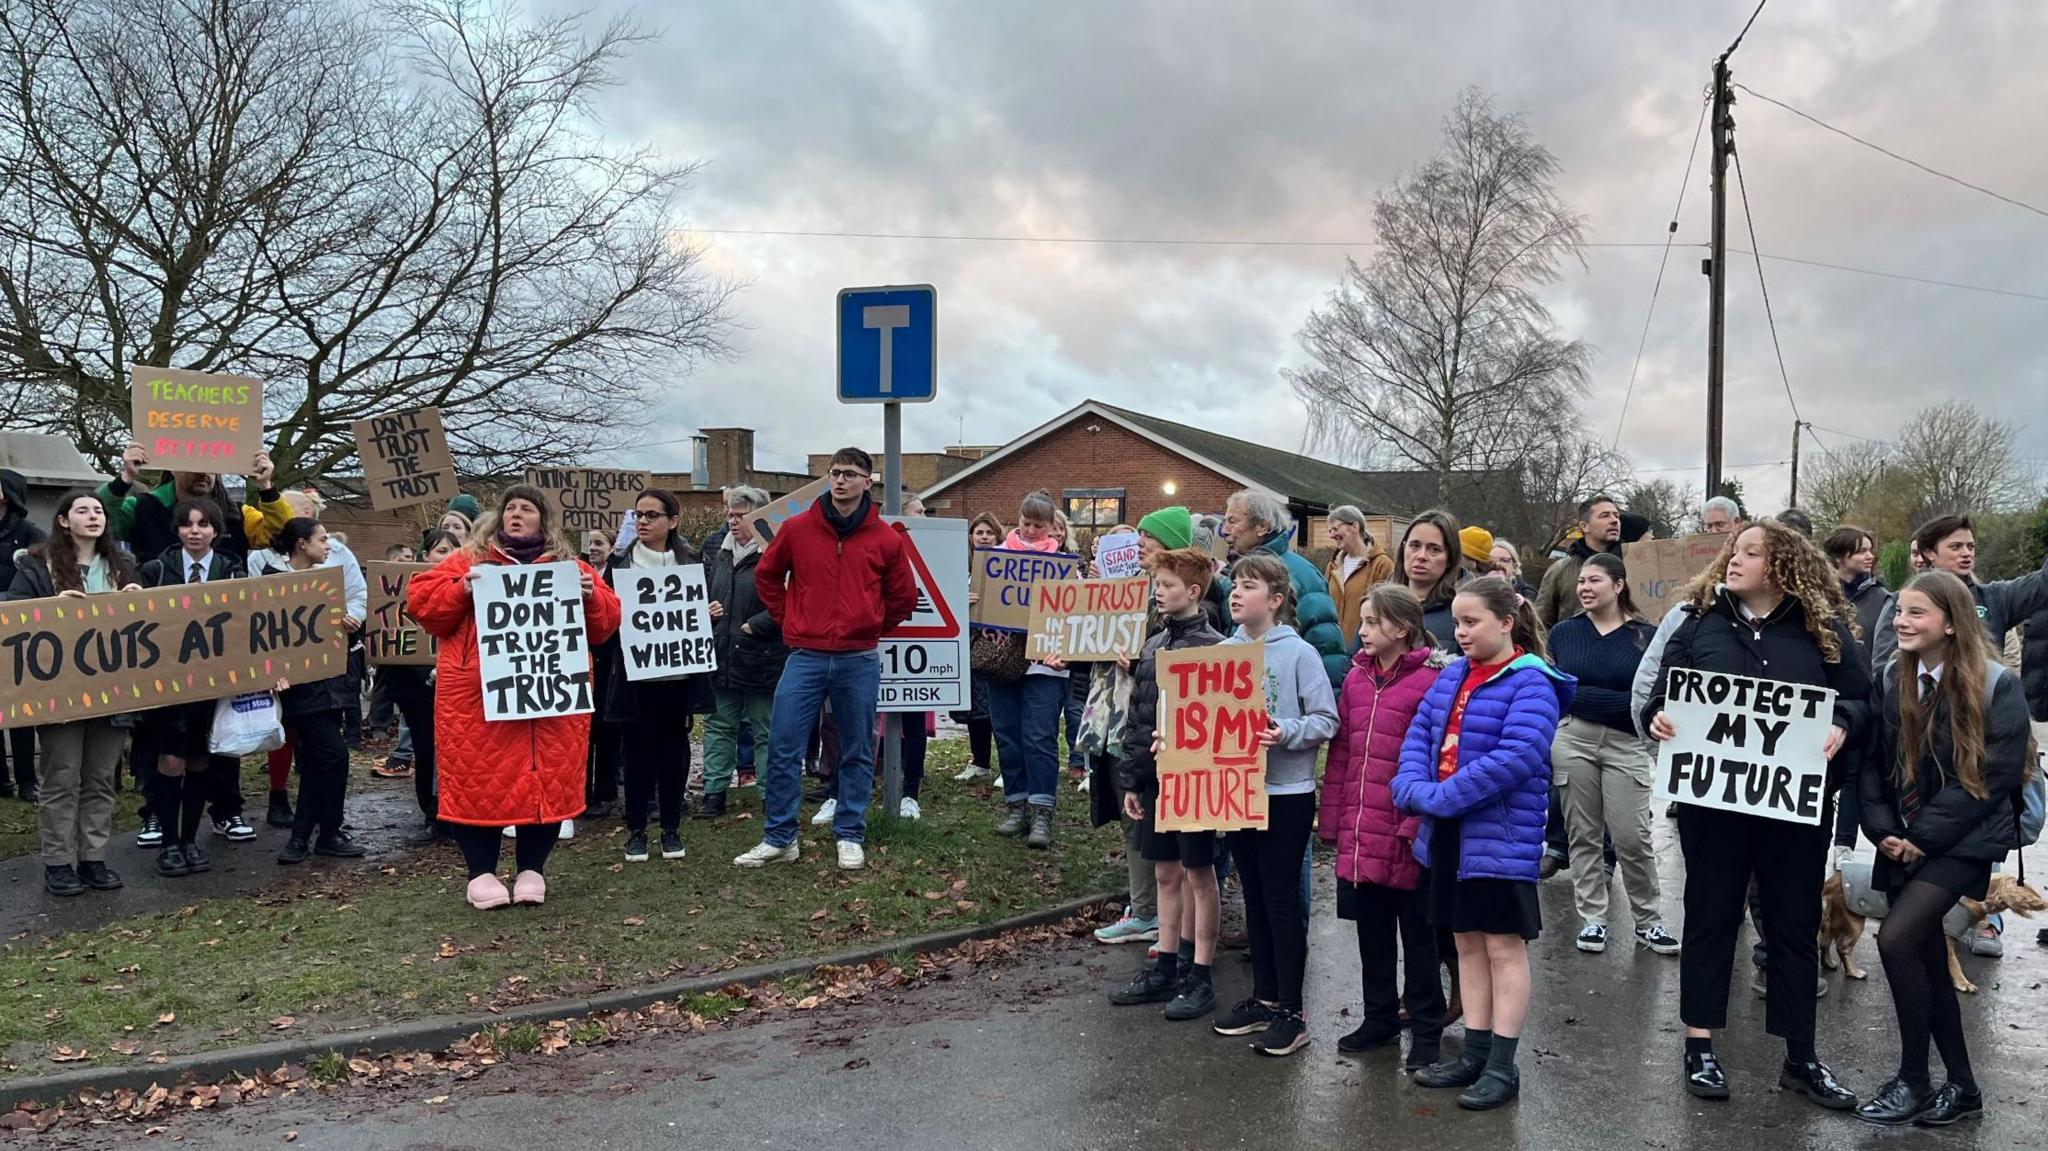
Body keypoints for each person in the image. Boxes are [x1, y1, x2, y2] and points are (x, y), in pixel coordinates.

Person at [1643, 521, 1868, 1110]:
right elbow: (1660, 696)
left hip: (1793, 807)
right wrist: (1658, 719)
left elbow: (1860, 699)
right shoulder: (1698, 622)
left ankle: (1801, 1057)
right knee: (1711, 914)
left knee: (1793, 922)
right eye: (1732, 550)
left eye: (1750, 551)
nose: (1733, 559)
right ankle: (1699, 1045)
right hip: (1713, 806)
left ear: (1783, 564)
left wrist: (1842, 723)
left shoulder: (1824, 632)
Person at [1852, 570, 2029, 1128]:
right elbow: (1873, 766)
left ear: (1951, 624)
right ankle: (1963, 1086)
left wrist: (1919, 837)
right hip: (1900, 838)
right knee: (1925, 955)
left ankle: (1912, 1078)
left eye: (1916, 613)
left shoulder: (1995, 684)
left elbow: (1990, 778)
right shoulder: (1891, 677)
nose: (1901, 621)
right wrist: (1882, 830)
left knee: (1897, 939)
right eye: (1899, 611)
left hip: (1961, 842)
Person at [1394, 576, 1572, 1111]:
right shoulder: (1451, 677)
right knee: (1466, 942)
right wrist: (1412, 788)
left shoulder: (1531, 683)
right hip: (1448, 838)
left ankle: (1502, 1065)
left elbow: (1518, 757)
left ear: (1506, 623)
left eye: (1472, 622)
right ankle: (1473, 1051)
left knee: (1501, 947)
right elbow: (1418, 738)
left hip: (1500, 841)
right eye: (1459, 622)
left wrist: (1438, 797)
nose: (1461, 631)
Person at [407, 486, 620, 908]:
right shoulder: (468, 561)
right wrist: (460, 591)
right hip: (476, 701)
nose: (516, 515)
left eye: (526, 509)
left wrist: (592, 596)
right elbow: (421, 603)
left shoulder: (568, 567)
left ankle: (531, 869)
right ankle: (481, 873)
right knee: (477, 784)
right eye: (510, 509)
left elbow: (607, 623)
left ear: (544, 519)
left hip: (549, 702)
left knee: (544, 784)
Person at [1869, 513, 2048, 959]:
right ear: (1928, 553)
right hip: (1920, 782)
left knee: (1911, 930)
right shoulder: (1900, 613)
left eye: (1971, 545)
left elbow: (1993, 775)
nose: (1968, 552)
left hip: (1968, 791)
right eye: (1956, 546)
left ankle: (1984, 919)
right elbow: (1883, 688)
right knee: (1918, 941)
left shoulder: (1994, 598)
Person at [734, 448, 914, 873]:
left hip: (859, 657)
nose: (840, 481)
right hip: (806, 654)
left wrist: (868, 624)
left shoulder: (886, 538)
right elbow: (768, 576)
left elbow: (903, 596)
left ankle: (850, 833)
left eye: (850, 474)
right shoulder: (798, 529)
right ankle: (780, 837)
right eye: (834, 473)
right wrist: (790, 618)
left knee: (856, 747)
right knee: (783, 744)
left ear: (868, 482)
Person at [1211, 554, 1339, 1057]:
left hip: (1286, 794)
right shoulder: (1223, 652)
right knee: (1256, 899)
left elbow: (1326, 720)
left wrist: (1285, 732)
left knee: (1283, 901)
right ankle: (1264, 998)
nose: (1235, 594)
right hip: (1238, 791)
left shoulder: (1299, 653)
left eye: (1248, 586)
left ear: (1277, 600)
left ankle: (1293, 1010)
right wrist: (1173, 740)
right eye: (1234, 586)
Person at [1321, 584, 1450, 1068]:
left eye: (1373, 622)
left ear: (1401, 628)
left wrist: (1420, 822)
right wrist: (1332, 817)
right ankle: (1378, 1016)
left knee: (1419, 937)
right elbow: (1342, 755)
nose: (1363, 631)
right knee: (1371, 930)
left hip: (1406, 831)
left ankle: (1427, 1027)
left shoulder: (1433, 681)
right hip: (1361, 826)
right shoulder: (1355, 680)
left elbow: (1441, 759)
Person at [1108, 548, 1227, 1019]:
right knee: (1164, 872)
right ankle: (1165, 966)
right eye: (1157, 584)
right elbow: (1139, 719)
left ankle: (1200, 974)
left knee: (1200, 874)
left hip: (1195, 778)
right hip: (1157, 779)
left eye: (1167, 585)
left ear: (1193, 592)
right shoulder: (1154, 645)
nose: (1158, 591)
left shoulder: (1217, 647)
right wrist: (1133, 782)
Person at [7, 491, 144, 896]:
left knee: (100, 778)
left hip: (113, 692)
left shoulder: (124, 567)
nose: (93, 516)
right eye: (83, 510)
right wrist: (50, 606)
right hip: (60, 694)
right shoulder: (35, 566)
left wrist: (141, 601)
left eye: (98, 510)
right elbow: (12, 616)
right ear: (64, 520)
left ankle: (93, 858)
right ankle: (58, 862)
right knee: (61, 779)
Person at [1545, 553, 1677, 956]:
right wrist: (1612, 700)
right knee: (1582, 834)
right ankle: (1593, 919)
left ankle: (1649, 921)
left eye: (1594, 580)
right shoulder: (1564, 634)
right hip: (1573, 741)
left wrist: (1585, 696)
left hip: (1627, 743)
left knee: (1631, 837)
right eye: (1582, 581)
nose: (1584, 587)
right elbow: (1557, 691)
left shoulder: (1646, 637)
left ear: (1619, 585)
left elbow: (1651, 699)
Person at [136, 499, 260, 877]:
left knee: (201, 760)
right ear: (177, 530)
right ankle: (169, 841)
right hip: (168, 687)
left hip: (213, 685)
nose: (195, 531)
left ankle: (190, 839)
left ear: (215, 531)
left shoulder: (231, 571)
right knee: (170, 760)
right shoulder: (156, 570)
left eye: (203, 524)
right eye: (187, 524)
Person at [604, 488, 715, 862]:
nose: (643, 522)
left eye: (652, 515)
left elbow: (699, 614)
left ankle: (670, 829)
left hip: (678, 681)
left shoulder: (692, 562)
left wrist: (709, 612)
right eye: (639, 514)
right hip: (634, 681)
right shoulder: (619, 564)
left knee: (673, 754)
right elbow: (603, 620)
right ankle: (636, 831)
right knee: (635, 756)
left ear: (673, 521)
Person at [249, 490, 368, 827]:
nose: (327, 544)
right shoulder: (266, 569)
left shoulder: (337, 558)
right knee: (318, 750)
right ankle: (305, 823)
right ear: (301, 542)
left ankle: (315, 831)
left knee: (324, 754)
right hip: (288, 678)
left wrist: (351, 617)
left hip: (328, 676)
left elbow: (356, 596)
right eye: (321, 538)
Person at [984, 491, 1072, 849]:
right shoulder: (996, 559)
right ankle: (1016, 805)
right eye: (1026, 524)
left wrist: (1067, 652)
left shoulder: (1065, 566)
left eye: (1039, 526)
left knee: (1039, 737)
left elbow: (1076, 615)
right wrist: (973, 596)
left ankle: (1041, 812)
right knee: (1007, 735)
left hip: (1045, 665)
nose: (1032, 531)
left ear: (1052, 526)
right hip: (1000, 658)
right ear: (1016, 520)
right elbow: (978, 600)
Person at [703, 486, 787, 819]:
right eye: (730, 515)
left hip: (762, 656)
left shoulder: (777, 554)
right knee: (718, 725)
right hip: (723, 655)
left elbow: (791, 598)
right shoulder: (720, 555)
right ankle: (714, 792)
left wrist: (758, 625)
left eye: (741, 515)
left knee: (765, 728)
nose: (734, 522)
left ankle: (770, 793)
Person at [1222, 489, 1345, 688]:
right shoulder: (1231, 574)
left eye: (1232, 521)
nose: (1225, 530)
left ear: (1262, 526)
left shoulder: (1301, 575)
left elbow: (1326, 648)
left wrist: (1324, 704)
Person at [99, 442, 291, 561]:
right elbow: (102, 519)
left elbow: (283, 533)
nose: (202, 472)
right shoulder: (143, 507)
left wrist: (266, 486)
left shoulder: (237, 513)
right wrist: (126, 476)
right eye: (193, 465)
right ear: (171, 469)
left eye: (211, 466)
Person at [393, 529, 458, 845]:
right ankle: (432, 813)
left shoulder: (469, 585)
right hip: (417, 687)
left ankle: (454, 813)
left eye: (450, 550)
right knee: (425, 748)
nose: (443, 557)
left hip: (457, 685)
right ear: (423, 557)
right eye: (438, 551)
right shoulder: (412, 587)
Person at [0, 468, 47, 803]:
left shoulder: (29, 533)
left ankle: (28, 780)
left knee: (19, 707)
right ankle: (1, 780)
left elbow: (41, 574)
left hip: (17, 630)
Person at [951, 512, 1005, 783]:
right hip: (970, 646)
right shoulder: (960, 569)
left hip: (999, 646)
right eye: (979, 532)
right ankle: (980, 761)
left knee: (1000, 710)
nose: (984, 537)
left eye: (988, 532)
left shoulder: (1009, 566)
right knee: (976, 709)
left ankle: (1008, 765)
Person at [1534, 496, 1622, 629]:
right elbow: (1540, 623)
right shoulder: (1561, 570)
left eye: (1616, 516)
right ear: (1584, 526)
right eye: (1605, 516)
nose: (1614, 521)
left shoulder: (1631, 565)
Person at [1324, 505, 1395, 651]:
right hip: (1334, 651)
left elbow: (1388, 613)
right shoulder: (1332, 567)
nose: (1331, 535)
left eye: (1336, 529)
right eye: (1330, 531)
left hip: (1365, 652)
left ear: (1355, 526)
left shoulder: (1381, 565)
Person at [1397, 511, 1465, 648]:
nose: (1421, 556)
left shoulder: (1461, 614)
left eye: (1434, 549)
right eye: (1415, 546)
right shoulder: (1378, 605)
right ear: (1404, 548)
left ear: (1450, 558)